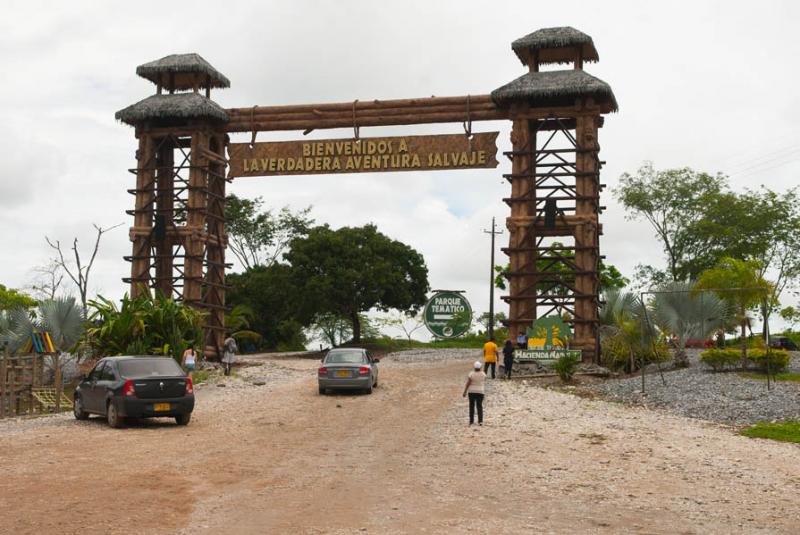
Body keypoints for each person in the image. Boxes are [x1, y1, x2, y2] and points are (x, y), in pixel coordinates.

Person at [462, 361, 486, 425]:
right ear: (480, 367)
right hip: (480, 391)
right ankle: (480, 421)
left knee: (471, 406)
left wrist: (465, 391)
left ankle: (471, 421)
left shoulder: (471, 374)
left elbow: (468, 383)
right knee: (479, 406)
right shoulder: (483, 374)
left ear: (474, 367)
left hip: (472, 391)